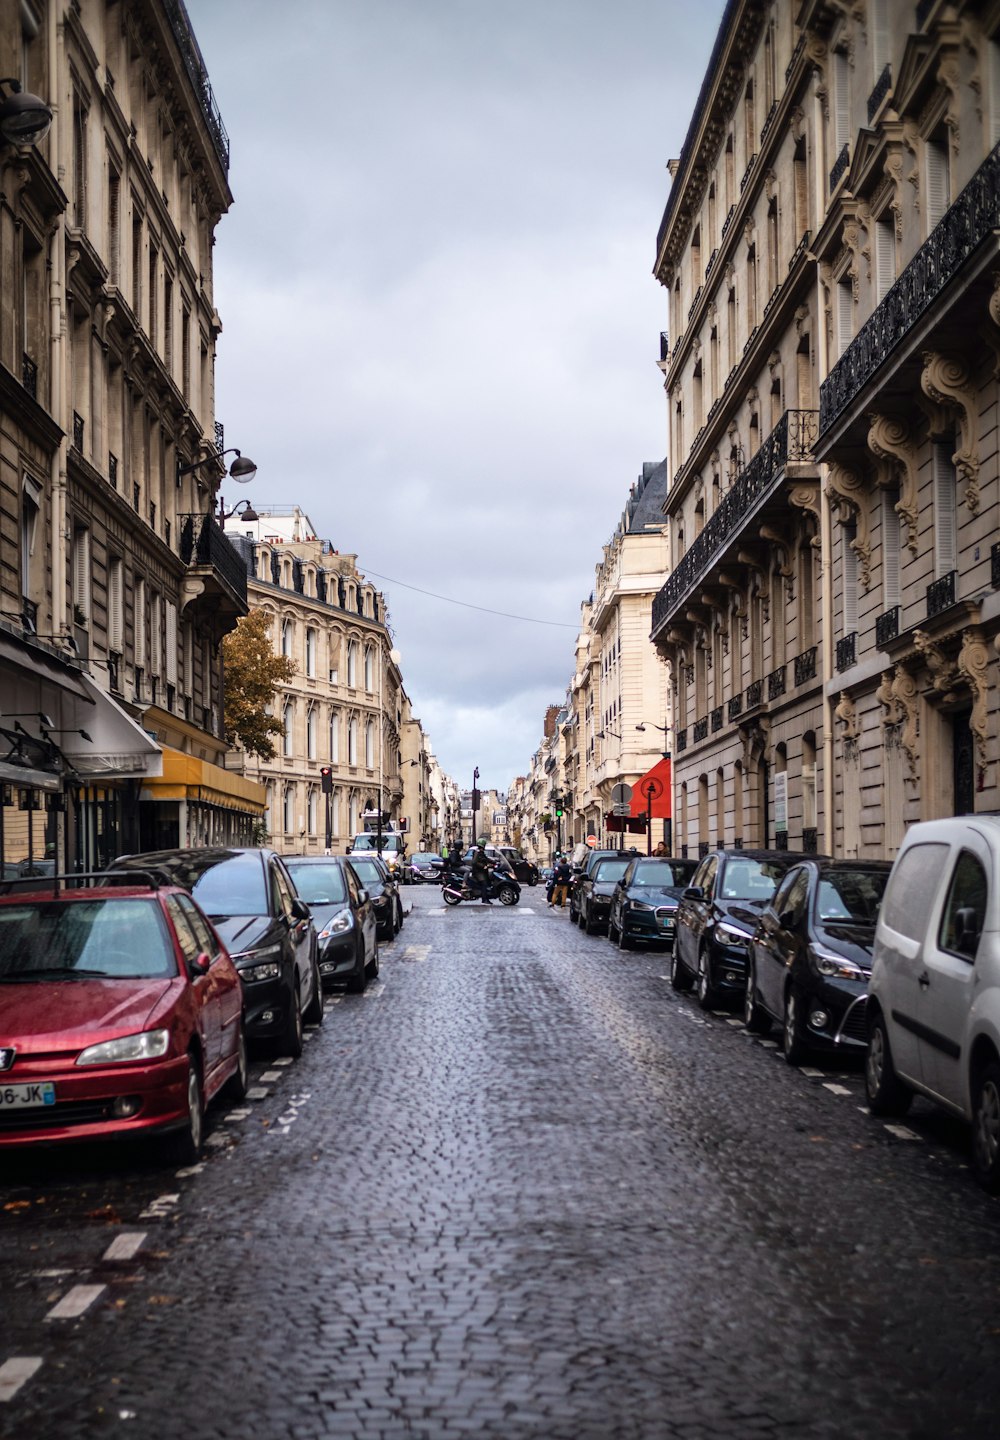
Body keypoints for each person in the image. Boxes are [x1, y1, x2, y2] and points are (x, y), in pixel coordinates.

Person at [470, 839, 493, 904]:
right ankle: (484, 899)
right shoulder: (477, 852)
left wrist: (494, 861)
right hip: (478, 872)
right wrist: (483, 866)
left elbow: (486, 858)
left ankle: (487, 897)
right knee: (484, 883)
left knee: (488, 881)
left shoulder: (481, 852)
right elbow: (474, 862)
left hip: (482, 871)